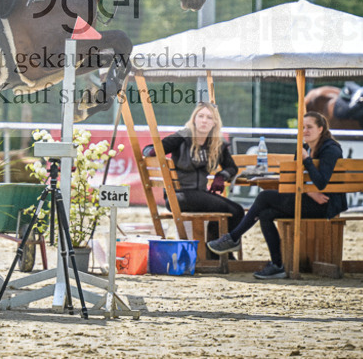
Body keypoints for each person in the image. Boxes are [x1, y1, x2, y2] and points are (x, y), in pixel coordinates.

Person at [206, 111, 347, 280]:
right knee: (266, 214)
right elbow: (296, 179)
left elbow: (322, 182)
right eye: (302, 128)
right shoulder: (303, 148)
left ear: (321, 129)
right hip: (310, 199)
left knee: (265, 197)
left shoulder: (330, 149)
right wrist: (309, 191)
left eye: (309, 127)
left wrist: (307, 160)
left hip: (327, 204)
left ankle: (233, 238)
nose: (305, 131)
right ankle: (278, 265)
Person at [142, 102, 244, 240]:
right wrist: (155, 150)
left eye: (209, 117)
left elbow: (232, 168)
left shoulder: (216, 143)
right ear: (194, 119)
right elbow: (147, 150)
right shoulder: (182, 137)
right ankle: (215, 252)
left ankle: (213, 251)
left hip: (200, 195)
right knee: (235, 211)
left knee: (237, 210)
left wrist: (221, 177)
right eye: (200, 116)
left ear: (214, 123)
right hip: (179, 196)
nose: (204, 120)